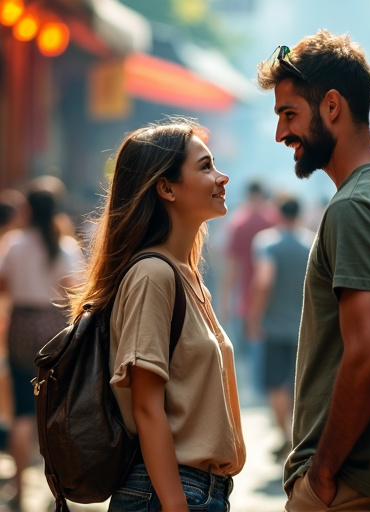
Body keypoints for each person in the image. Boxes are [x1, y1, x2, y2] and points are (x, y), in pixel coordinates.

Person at [256, 30, 370, 511]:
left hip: (347, 488)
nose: (281, 134)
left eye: (288, 113)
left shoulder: (355, 206)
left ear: (331, 106)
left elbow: (368, 357)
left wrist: (321, 472)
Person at [68, 117, 245, 512]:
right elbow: (147, 408)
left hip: (199, 491)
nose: (223, 177)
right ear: (166, 187)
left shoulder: (185, 275)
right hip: (169, 493)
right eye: (205, 166)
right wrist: (176, 505)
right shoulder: (152, 275)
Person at [0, 184, 84, 511]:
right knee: (56, 409)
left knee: (23, 408)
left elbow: (3, 285)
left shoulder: (13, 244)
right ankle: (58, 492)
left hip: (21, 322)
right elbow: (75, 292)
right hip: (53, 326)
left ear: (27, 210)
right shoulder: (66, 247)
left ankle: (19, 489)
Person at [246, 194, 314, 461]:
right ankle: (299, 437)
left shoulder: (267, 242)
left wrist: (254, 318)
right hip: (305, 326)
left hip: (274, 326)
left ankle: (285, 436)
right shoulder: (311, 242)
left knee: (276, 384)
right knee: (298, 384)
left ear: (278, 213)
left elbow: (264, 281)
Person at [220, 180, 278, 402]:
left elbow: (231, 267)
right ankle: (269, 392)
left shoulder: (238, 223)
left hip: (245, 296)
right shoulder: (273, 220)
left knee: (250, 345)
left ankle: (257, 391)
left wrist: (225, 301)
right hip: (273, 296)